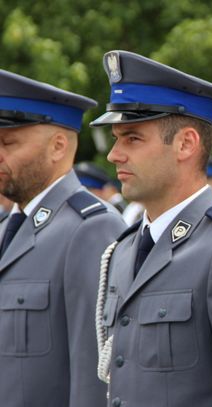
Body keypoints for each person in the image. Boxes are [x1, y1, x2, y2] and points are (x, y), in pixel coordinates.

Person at [90, 50, 212, 407]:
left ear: (186, 144)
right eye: (116, 138)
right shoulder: (124, 250)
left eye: (132, 138)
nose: (114, 154)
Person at [0, 69, 126, 407]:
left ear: (58, 147)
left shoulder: (89, 229)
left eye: (8, 143)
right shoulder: (7, 229)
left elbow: (95, 377)